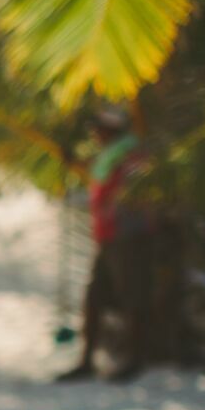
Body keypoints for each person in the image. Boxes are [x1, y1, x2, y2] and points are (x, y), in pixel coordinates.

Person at [58, 108, 153, 382]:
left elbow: (130, 191)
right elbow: (99, 177)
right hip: (110, 236)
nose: (94, 135)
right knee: (95, 298)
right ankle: (87, 361)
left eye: (98, 129)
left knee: (132, 296)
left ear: (110, 131)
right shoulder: (112, 154)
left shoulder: (130, 154)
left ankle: (135, 360)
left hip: (127, 235)